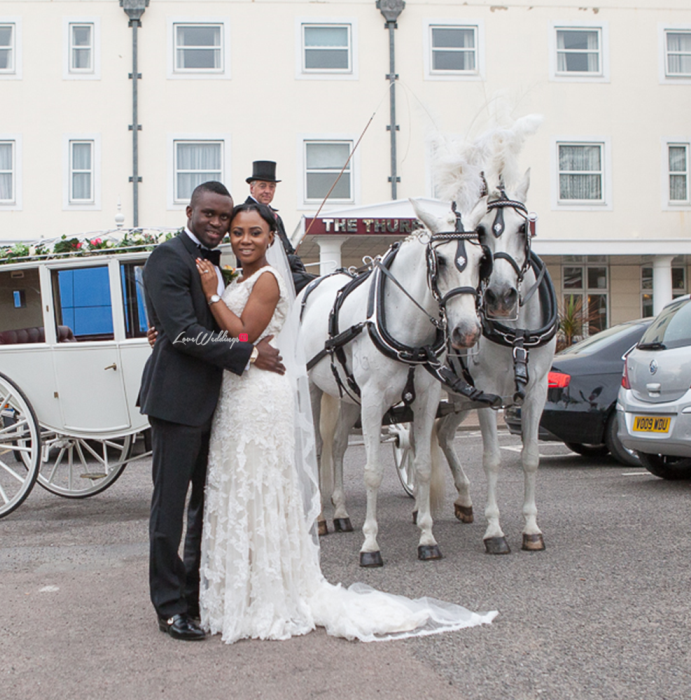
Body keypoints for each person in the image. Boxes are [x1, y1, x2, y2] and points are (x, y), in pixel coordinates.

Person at [193, 202, 497, 643]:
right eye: (237, 232)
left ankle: (269, 588)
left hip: (258, 392)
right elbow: (229, 333)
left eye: (254, 232)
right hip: (241, 391)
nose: (243, 239)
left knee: (261, 486)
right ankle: (245, 585)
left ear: (272, 239)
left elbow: (243, 333)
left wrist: (212, 296)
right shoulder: (235, 277)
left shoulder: (266, 279)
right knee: (244, 487)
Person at [138, 181, 285, 642]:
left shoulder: (221, 265)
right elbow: (182, 333)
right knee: (169, 509)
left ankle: (195, 596)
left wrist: (242, 346)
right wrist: (249, 354)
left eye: (225, 218)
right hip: (178, 402)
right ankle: (168, 607)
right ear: (189, 211)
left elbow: (207, 322)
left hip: (219, 403)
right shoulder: (168, 257)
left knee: (207, 505)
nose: (219, 225)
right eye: (211, 216)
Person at [245, 160, 316, 294]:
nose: (267, 191)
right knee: (315, 284)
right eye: (263, 186)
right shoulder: (247, 213)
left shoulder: (276, 217)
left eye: (272, 187)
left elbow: (287, 246)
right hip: (262, 275)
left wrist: (294, 258)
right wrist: (287, 260)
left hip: (285, 271)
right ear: (252, 188)